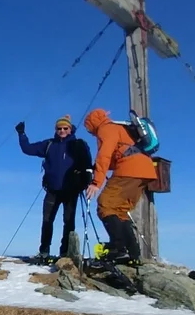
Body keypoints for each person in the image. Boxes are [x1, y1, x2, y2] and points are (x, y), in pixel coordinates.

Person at [82, 109, 157, 265]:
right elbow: (119, 155)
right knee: (120, 211)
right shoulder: (119, 128)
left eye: (89, 129)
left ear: (92, 123)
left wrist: (96, 182)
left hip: (130, 170)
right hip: (145, 171)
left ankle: (118, 248)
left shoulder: (106, 129)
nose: (91, 133)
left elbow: (105, 155)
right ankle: (133, 252)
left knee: (105, 204)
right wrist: (96, 168)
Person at [15, 116, 94, 262]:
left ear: (70, 129)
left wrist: (88, 180)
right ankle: (44, 251)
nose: (62, 131)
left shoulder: (78, 144)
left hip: (71, 190)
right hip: (52, 189)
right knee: (47, 220)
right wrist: (22, 134)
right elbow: (28, 149)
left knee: (68, 221)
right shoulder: (49, 144)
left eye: (65, 128)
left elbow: (87, 164)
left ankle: (65, 253)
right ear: (56, 130)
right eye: (59, 128)